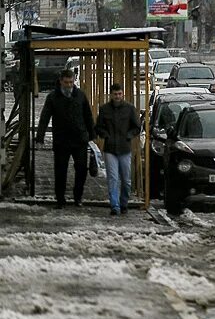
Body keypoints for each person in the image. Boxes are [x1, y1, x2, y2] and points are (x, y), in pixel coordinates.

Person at [34, 69, 96, 209]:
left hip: (79, 139)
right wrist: (40, 137)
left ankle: (78, 197)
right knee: (60, 170)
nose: (69, 85)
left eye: (71, 82)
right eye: (66, 82)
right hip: (61, 140)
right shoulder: (53, 97)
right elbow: (44, 117)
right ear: (61, 81)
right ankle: (60, 199)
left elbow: (88, 116)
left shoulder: (80, 95)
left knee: (81, 169)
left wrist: (92, 135)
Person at [95, 82, 142, 216]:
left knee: (126, 180)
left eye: (119, 94)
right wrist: (105, 135)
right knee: (113, 178)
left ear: (123, 94)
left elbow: (137, 127)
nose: (117, 96)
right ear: (111, 95)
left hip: (125, 148)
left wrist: (129, 135)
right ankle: (114, 205)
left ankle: (124, 203)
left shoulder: (129, 109)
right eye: (115, 94)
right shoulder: (104, 109)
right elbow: (98, 126)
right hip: (110, 149)